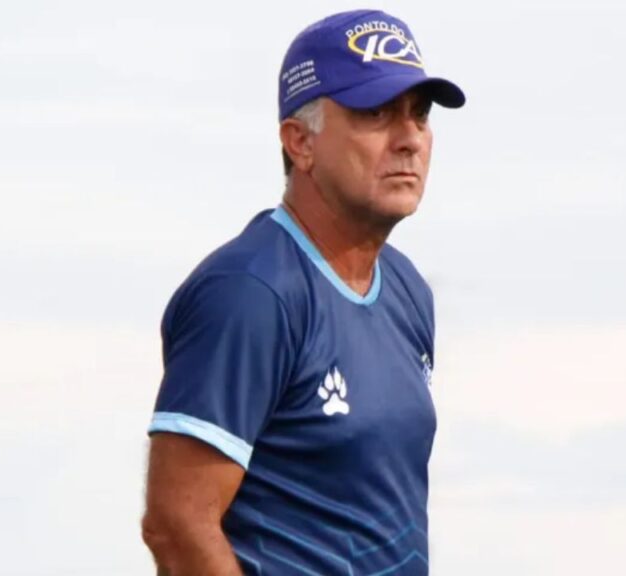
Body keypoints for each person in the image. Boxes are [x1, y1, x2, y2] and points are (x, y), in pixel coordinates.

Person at [141, 8, 465, 575]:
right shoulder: (250, 293)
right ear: (300, 142)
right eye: (376, 112)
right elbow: (176, 524)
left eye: (419, 114)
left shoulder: (408, 291)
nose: (409, 139)